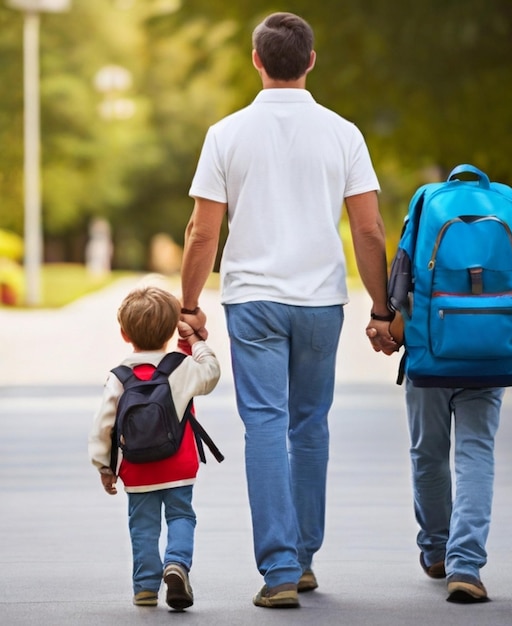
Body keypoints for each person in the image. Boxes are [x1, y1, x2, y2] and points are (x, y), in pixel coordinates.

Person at [179, 11, 397, 609]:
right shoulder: (344, 133)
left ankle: (277, 570)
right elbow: (370, 229)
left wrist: (189, 305)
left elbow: (203, 233)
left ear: (256, 60)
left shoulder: (226, 133)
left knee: (267, 428)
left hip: (251, 301)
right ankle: (302, 558)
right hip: (321, 301)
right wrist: (381, 309)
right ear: (311, 60)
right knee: (310, 425)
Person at [88, 286, 221, 610]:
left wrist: (105, 467)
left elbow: (104, 425)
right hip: (178, 465)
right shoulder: (181, 366)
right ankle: (176, 563)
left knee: (143, 526)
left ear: (124, 333)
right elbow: (211, 373)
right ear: (170, 331)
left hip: (137, 469)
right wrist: (195, 342)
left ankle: (145, 588)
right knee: (181, 516)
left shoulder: (119, 376)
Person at [405, 383, 503, 603]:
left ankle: (437, 548)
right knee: (476, 454)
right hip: (486, 362)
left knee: (428, 454)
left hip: (429, 359)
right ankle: (465, 564)